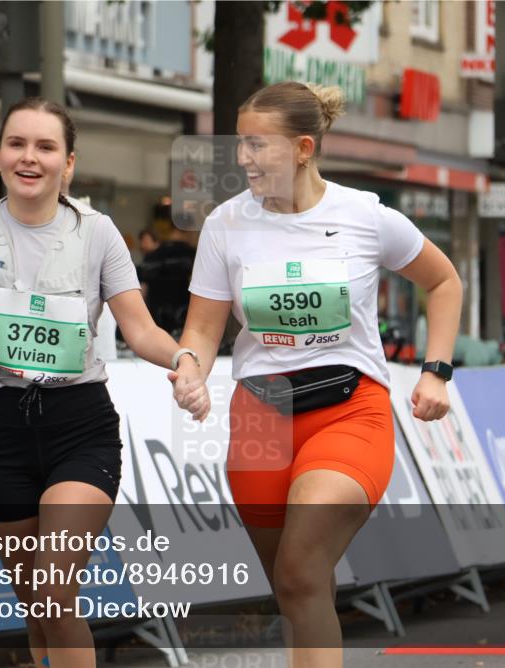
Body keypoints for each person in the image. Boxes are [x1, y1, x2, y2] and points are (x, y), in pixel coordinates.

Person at [0, 97, 197, 668]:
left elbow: (139, 327)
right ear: (0, 155)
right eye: (17, 144)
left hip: (79, 424)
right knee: (36, 603)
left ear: (69, 164)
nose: (29, 157)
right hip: (0, 430)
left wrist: (182, 359)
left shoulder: (99, 234)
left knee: (56, 586)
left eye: (45, 147)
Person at [169, 82, 462, 668]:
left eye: (258, 145)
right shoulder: (226, 225)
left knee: (302, 566)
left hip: (350, 408)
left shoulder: (364, 216)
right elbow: (202, 329)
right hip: (261, 417)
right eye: (239, 145)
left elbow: (444, 281)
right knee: (296, 586)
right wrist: (189, 368)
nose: (244, 158)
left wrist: (437, 371)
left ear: (304, 148)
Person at [137, 222, 196, 335]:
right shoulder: (191, 255)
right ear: (189, 231)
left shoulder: (152, 256)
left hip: (156, 317)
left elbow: (143, 290)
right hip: (183, 316)